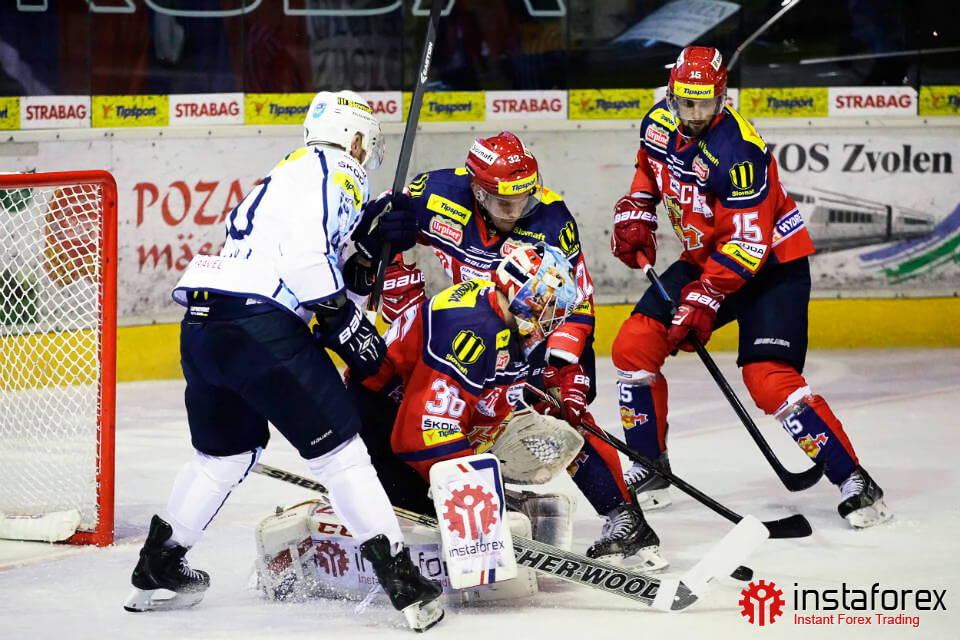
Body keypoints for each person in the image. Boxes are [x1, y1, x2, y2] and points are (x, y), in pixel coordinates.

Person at [123, 90, 444, 631]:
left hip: (204, 324)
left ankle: (158, 565)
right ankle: (405, 583)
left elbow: (312, 265)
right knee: (341, 456)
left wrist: (364, 261)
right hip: (260, 326)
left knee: (223, 458)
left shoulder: (286, 175)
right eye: (367, 143)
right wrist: (348, 325)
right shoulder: (337, 168)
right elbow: (304, 265)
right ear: (354, 138)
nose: (367, 155)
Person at [609, 46, 891, 528]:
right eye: (685, 102)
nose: (693, 114)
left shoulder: (738, 151)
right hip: (707, 260)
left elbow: (747, 243)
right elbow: (649, 168)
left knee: (768, 380)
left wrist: (704, 297)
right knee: (634, 345)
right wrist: (637, 207)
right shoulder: (657, 123)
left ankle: (854, 480)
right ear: (671, 94)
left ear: (722, 98)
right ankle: (651, 468)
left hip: (770, 267)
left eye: (704, 103)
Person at [353, 133, 662, 565]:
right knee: (454, 421)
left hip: (530, 329)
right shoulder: (439, 194)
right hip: (474, 330)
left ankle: (623, 516)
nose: (516, 211)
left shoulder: (552, 221)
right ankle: (478, 498)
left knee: (561, 411)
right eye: (504, 203)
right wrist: (387, 263)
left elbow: (572, 303)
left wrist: (566, 372)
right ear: (478, 191)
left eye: (524, 198)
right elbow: (379, 226)